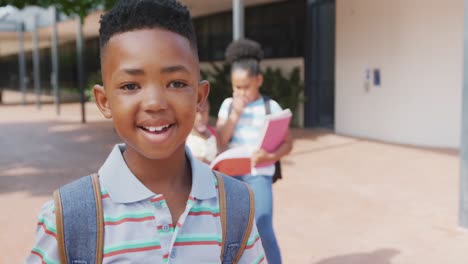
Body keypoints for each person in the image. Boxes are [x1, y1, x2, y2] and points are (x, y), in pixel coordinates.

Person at [25, 1, 265, 263]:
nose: (154, 103)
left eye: (176, 83)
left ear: (199, 97)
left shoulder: (234, 206)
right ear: (104, 102)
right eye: (130, 86)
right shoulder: (68, 219)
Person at [216, 38, 293, 264]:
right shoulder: (228, 105)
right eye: (235, 87)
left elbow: (288, 143)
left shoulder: (271, 107)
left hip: (260, 172)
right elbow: (221, 140)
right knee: (231, 228)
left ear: (258, 80)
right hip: (232, 173)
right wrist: (234, 115)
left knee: (262, 222)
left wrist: (270, 156)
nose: (240, 92)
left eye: (245, 87)